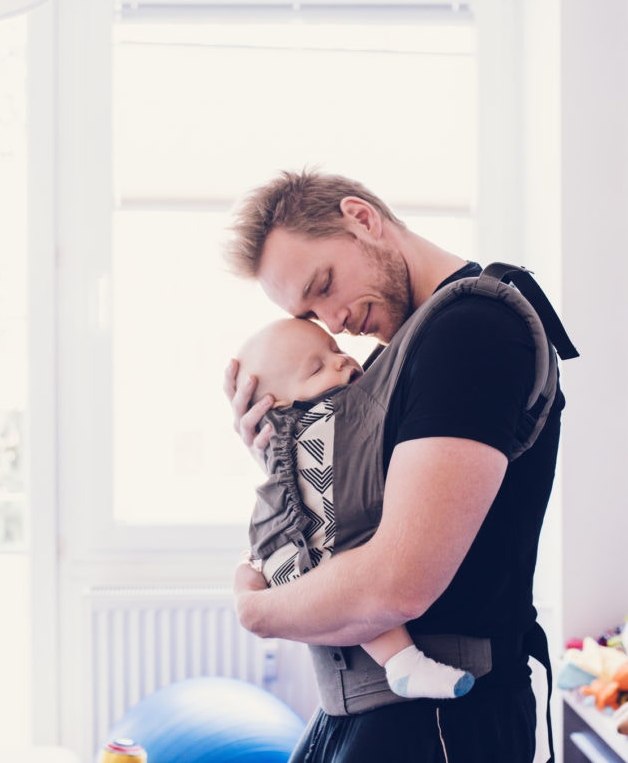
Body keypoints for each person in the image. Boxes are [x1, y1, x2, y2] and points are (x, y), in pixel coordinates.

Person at [222, 169, 570, 762]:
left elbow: (395, 586)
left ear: (362, 218)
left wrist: (260, 612)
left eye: (325, 285)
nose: (334, 323)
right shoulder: (396, 355)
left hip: (441, 720)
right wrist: (285, 450)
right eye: (311, 314)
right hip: (381, 715)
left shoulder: (471, 331)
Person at [235, 316, 476, 701]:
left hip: (282, 556)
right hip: (296, 557)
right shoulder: (327, 416)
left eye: (336, 350)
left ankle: (402, 665)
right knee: (348, 575)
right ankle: (403, 662)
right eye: (316, 368)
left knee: (350, 574)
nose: (341, 362)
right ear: (275, 405)